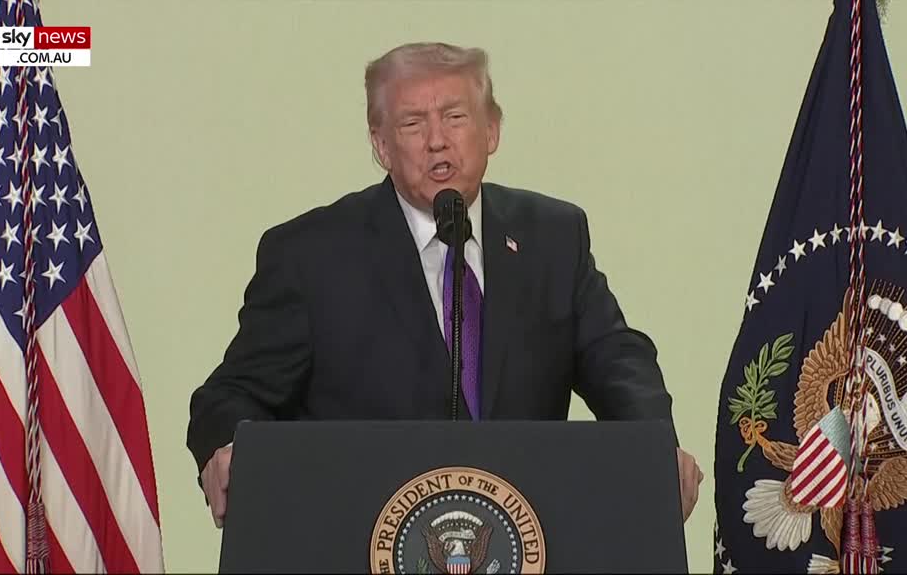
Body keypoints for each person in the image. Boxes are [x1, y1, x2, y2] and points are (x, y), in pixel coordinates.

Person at [186, 42, 702, 529]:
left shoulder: (552, 235)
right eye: (413, 123)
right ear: (381, 145)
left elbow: (616, 357)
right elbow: (232, 394)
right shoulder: (312, 255)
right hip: (362, 535)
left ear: (492, 131)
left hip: (529, 537)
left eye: (455, 117)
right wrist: (230, 446)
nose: (438, 139)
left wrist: (654, 444)